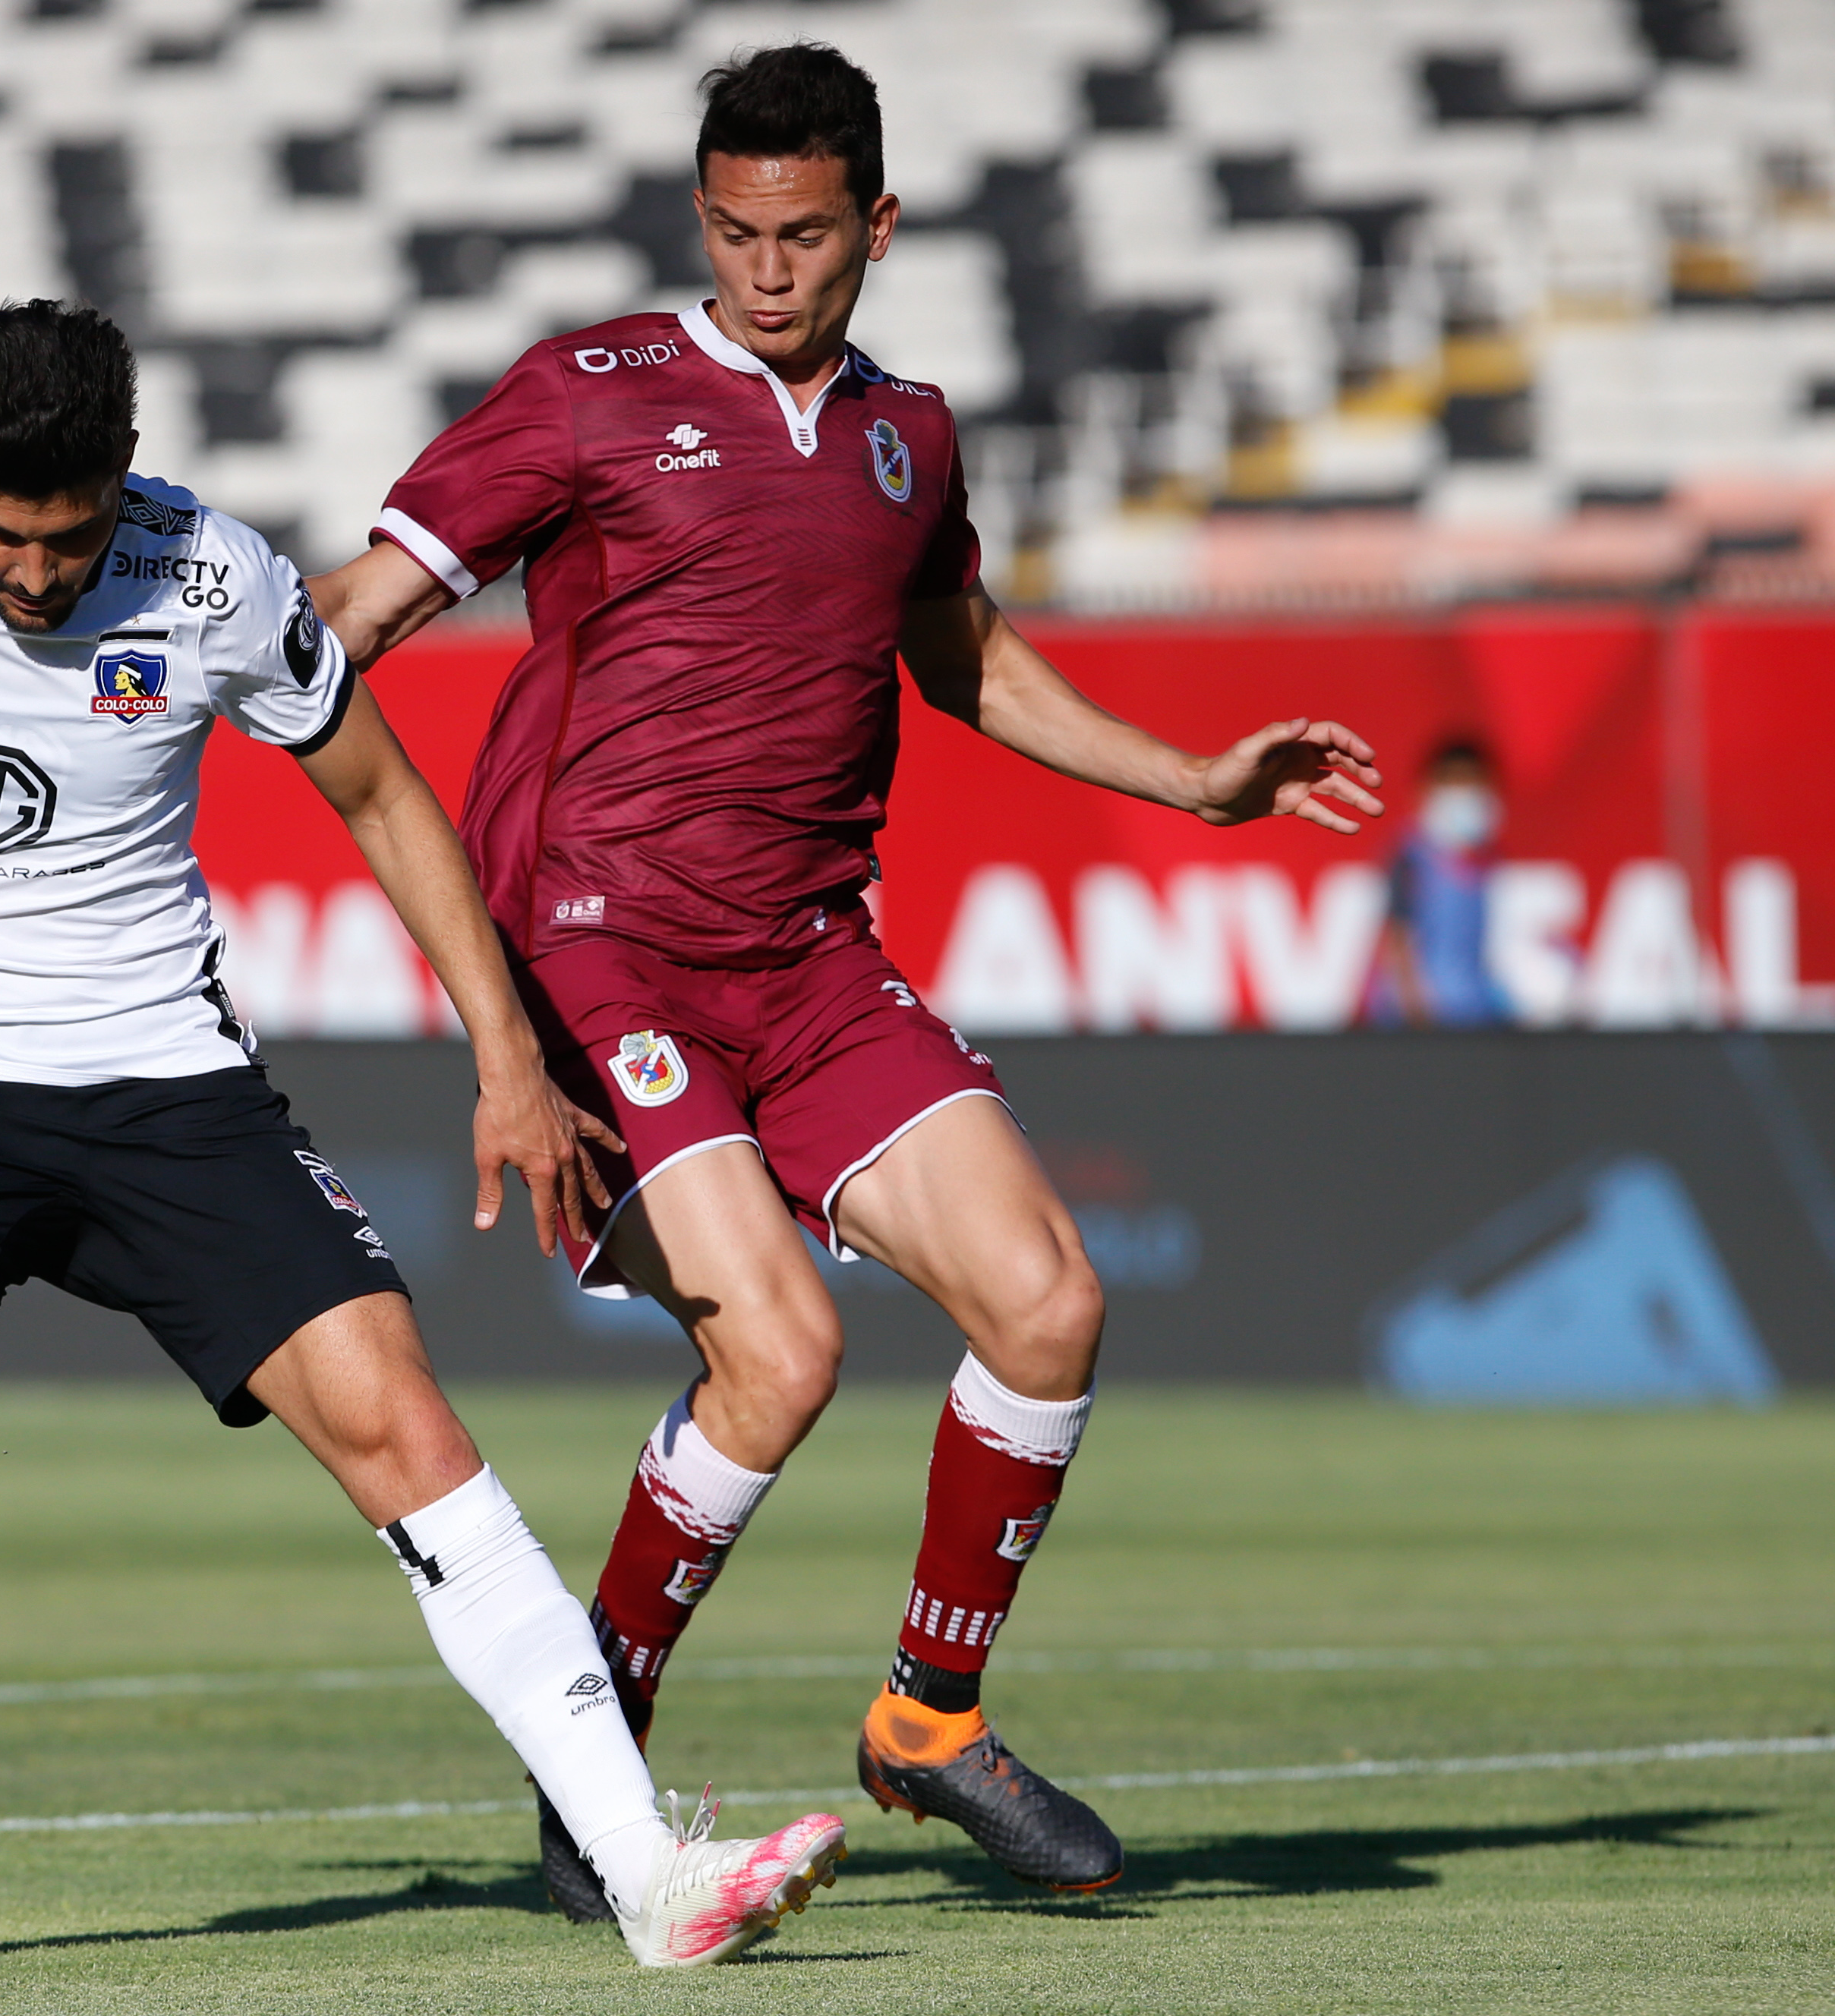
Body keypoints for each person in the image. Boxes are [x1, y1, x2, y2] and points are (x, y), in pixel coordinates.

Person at [0, 301, 844, 1966]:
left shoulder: (213, 578)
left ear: (124, 475)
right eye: (2, 534)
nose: (35, 575)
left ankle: (649, 1875)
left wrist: (504, 1050)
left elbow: (380, 793)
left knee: (403, 1425)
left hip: (164, 1082)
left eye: (67, 540)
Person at [308, 46, 1385, 1911]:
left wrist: (1193, 781)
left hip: (808, 954)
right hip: (599, 940)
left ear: (876, 225)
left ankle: (928, 1718)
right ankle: (598, 1738)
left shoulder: (912, 435)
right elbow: (349, 619)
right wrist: (147, 693)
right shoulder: (588, 391)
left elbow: (961, 654)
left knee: (1048, 1301)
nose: (765, 267)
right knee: (783, 1351)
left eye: (803, 233)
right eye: (733, 230)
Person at [1366, 739, 1509, 1026]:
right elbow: (1398, 938)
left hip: (1473, 1017)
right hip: (1418, 1022)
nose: (1464, 791)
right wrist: (1417, 1014)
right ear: (1428, 789)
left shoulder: (1487, 860)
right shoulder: (1410, 856)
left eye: (1472, 781)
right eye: (1453, 781)